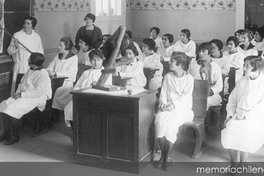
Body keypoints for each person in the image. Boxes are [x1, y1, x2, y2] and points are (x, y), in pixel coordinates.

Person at [221, 56, 264, 173]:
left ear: (257, 68)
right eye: (244, 65)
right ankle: (234, 164)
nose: (244, 68)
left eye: (247, 66)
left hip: (254, 117)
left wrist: (246, 116)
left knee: (246, 135)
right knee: (230, 131)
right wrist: (230, 115)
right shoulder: (243, 80)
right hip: (237, 114)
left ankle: (242, 164)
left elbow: (262, 106)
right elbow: (232, 99)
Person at [0, 53, 52, 145]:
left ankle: (15, 136)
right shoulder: (30, 70)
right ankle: (7, 133)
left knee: (13, 109)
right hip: (24, 95)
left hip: (37, 97)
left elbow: (38, 92)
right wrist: (17, 94)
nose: (28, 61)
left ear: (35, 62)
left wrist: (22, 95)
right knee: (4, 104)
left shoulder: (43, 74)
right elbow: (21, 83)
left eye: (29, 59)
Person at [155, 52, 194, 171]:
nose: (169, 63)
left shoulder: (189, 79)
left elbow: (185, 97)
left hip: (183, 109)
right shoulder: (168, 76)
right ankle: (163, 154)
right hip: (166, 107)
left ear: (180, 64)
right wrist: (163, 105)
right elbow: (163, 93)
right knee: (160, 120)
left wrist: (173, 105)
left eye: (172, 61)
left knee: (171, 123)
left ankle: (168, 156)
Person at [64, 50, 112, 129]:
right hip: (82, 97)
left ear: (102, 60)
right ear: (90, 61)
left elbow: (107, 88)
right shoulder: (86, 72)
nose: (96, 63)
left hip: (97, 99)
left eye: (98, 60)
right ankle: (76, 133)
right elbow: (76, 86)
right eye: (93, 60)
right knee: (69, 109)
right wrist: (81, 90)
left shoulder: (106, 73)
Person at [7, 16, 44, 95]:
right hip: (20, 66)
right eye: (24, 23)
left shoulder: (36, 36)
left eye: (28, 24)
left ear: (32, 26)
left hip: (32, 66)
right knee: (18, 89)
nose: (25, 25)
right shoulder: (17, 35)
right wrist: (15, 46)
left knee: (30, 89)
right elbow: (9, 52)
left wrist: (36, 59)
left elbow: (40, 51)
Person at [46, 37, 78, 117]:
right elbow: (50, 66)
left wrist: (55, 74)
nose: (58, 47)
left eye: (61, 46)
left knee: (56, 94)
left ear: (67, 47)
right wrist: (49, 71)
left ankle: (55, 114)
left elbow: (70, 73)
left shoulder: (73, 58)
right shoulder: (58, 56)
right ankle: (49, 115)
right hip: (55, 81)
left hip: (66, 82)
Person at [188, 42, 223, 109]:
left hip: (211, 95)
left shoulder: (215, 67)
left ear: (209, 52)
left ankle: (202, 119)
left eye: (203, 51)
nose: (200, 53)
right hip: (195, 93)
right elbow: (188, 80)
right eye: (199, 51)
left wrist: (209, 91)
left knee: (203, 101)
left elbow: (219, 86)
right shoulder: (193, 65)